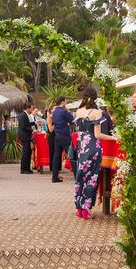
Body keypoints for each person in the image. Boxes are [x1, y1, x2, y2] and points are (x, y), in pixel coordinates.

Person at [74, 87, 114, 220]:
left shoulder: (78, 111)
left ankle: (79, 209)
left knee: (80, 177)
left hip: (80, 146)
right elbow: (98, 134)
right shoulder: (97, 112)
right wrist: (114, 138)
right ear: (95, 97)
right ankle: (87, 209)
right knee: (91, 178)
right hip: (92, 147)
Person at [51, 96, 75, 183]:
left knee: (56, 156)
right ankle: (76, 176)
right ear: (62, 102)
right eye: (65, 101)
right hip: (64, 135)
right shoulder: (64, 111)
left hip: (57, 135)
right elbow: (72, 120)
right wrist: (68, 112)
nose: (66, 103)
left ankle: (54, 176)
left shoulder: (55, 111)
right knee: (71, 154)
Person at [17, 103, 36, 174]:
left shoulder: (24, 115)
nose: (32, 109)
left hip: (26, 136)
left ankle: (27, 168)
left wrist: (35, 123)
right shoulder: (23, 115)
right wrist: (32, 130)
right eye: (31, 108)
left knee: (28, 152)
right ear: (28, 108)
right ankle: (24, 169)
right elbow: (23, 126)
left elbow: (27, 124)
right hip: (24, 136)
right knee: (26, 152)